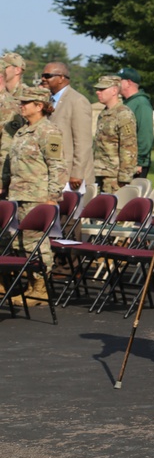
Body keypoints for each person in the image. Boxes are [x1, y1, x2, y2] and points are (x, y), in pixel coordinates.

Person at [1, 86, 68, 302]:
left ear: (39, 106)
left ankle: (40, 289)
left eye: (26, 102)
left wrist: (52, 196)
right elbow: (10, 164)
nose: (21, 105)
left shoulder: (49, 132)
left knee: (34, 243)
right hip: (17, 195)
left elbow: (57, 165)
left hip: (37, 197)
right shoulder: (22, 131)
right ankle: (29, 284)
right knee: (18, 242)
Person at [41, 61, 93, 193]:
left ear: (61, 78)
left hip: (71, 176)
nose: (43, 79)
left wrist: (77, 173)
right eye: (43, 75)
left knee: (69, 214)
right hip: (53, 173)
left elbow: (83, 141)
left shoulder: (77, 101)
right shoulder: (48, 100)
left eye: (47, 76)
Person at [92, 75, 138, 194]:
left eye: (102, 89)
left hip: (114, 176)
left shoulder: (123, 114)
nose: (98, 92)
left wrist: (124, 177)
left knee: (112, 210)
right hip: (100, 172)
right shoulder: (104, 113)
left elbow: (128, 147)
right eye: (98, 89)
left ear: (114, 91)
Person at [119, 67, 154, 177]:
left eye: (119, 80)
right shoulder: (128, 103)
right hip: (125, 160)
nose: (115, 84)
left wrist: (139, 161)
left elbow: (145, 134)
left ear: (128, 82)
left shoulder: (141, 103)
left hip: (135, 163)